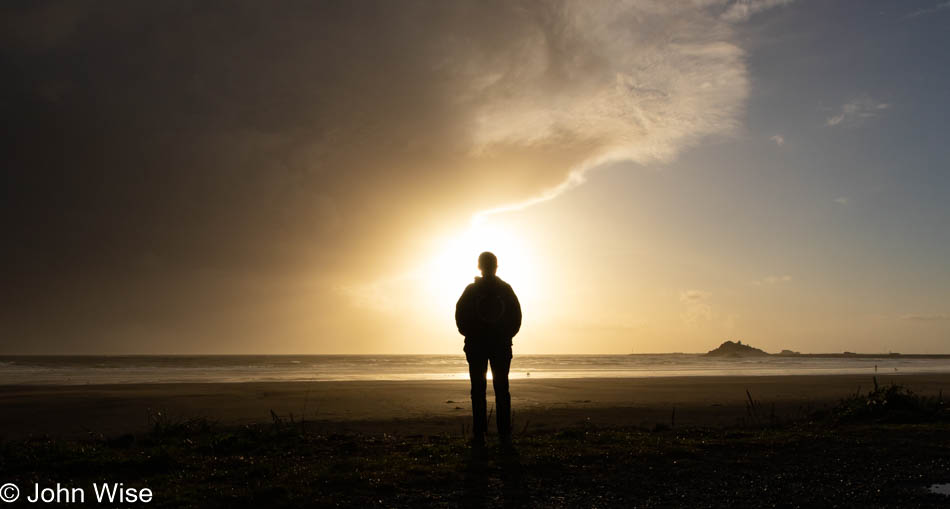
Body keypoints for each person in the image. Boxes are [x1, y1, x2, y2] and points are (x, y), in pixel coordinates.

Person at [455, 251, 522, 446]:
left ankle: (482, 434)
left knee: (480, 390)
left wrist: (472, 335)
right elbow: (516, 318)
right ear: (495, 266)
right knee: (499, 390)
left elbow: (460, 317)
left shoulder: (475, 290)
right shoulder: (503, 290)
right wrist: (504, 336)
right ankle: (500, 434)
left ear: (479, 267)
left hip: (482, 346)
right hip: (491, 346)